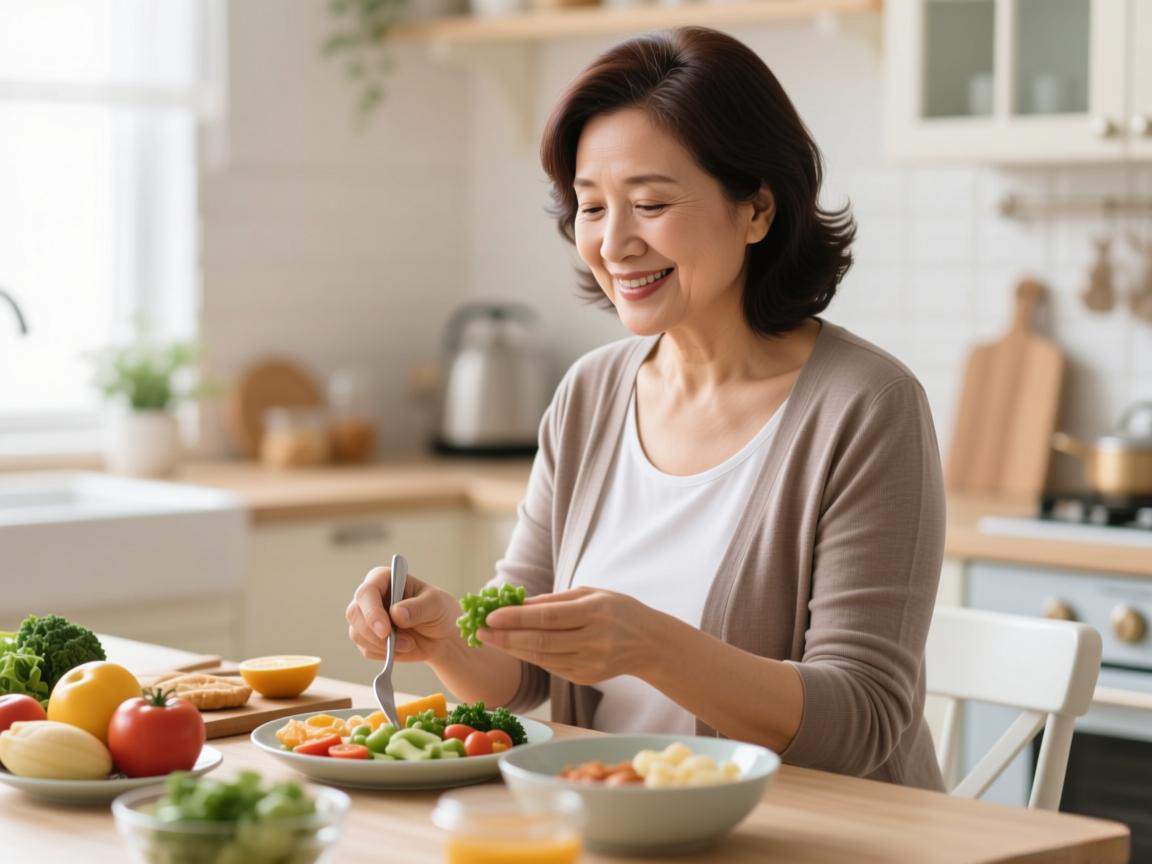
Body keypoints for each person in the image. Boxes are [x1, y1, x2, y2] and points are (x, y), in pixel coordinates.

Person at [347, 26, 945, 790]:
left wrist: (652, 646)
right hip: (619, 822)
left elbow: (860, 721)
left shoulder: (866, 407)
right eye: (591, 207)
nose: (614, 242)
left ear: (757, 209)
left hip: (817, 838)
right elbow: (528, 679)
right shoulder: (590, 394)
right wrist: (442, 638)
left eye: (651, 203)